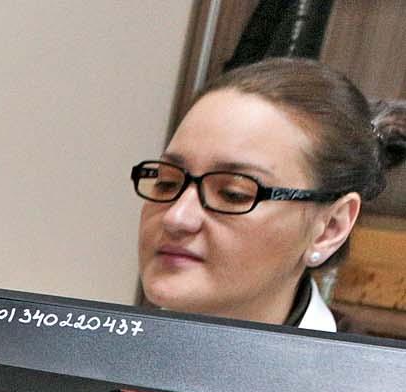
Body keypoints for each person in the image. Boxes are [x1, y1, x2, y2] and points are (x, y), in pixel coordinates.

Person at [135, 57, 406, 329]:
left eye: (233, 194)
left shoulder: (353, 358)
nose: (176, 217)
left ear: (330, 228)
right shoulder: (119, 337)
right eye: (167, 182)